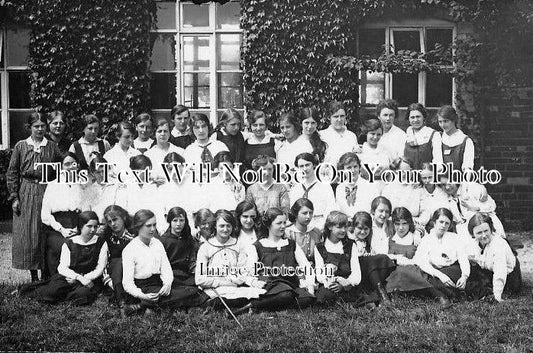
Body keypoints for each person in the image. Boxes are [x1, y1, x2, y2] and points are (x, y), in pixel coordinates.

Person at [7, 112, 61, 281]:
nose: (39, 129)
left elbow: (61, 168)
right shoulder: (21, 146)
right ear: (29, 128)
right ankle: (33, 276)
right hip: (27, 191)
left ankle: (46, 274)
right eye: (36, 126)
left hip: (47, 190)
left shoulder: (51, 146)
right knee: (29, 232)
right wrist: (14, 197)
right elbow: (12, 172)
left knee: (45, 230)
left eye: (42, 126)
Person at [122, 210, 207, 314]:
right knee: (191, 294)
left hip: (158, 283)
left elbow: (166, 268)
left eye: (154, 225)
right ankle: (144, 304)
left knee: (192, 291)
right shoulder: (130, 249)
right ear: (138, 227)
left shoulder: (157, 243)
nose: (153, 229)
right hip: (142, 287)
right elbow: (127, 283)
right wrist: (142, 295)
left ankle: (147, 306)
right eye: (148, 226)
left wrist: (167, 284)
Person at [28, 211, 108, 306]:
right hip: (69, 277)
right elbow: (62, 267)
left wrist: (84, 278)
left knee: (84, 294)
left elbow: (100, 268)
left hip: (89, 278)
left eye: (95, 226)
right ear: (81, 226)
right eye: (89, 226)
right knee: (52, 291)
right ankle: (29, 291)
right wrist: (77, 277)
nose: (93, 230)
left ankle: (60, 299)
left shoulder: (101, 243)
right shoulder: (70, 243)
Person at [244, 208, 315, 311]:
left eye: (284, 223)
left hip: (291, 285)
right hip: (271, 286)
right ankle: (258, 304)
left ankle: (265, 306)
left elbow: (305, 265)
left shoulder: (291, 244)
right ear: (268, 225)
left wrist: (310, 284)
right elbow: (249, 271)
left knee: (308, 298)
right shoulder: (258, 246)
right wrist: (254, 282)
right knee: (286, 295)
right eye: (279, 223)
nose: (283, 226)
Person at [195, 210, 265, 306]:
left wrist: (251, 281)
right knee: (223, 298)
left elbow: (242, 272)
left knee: (259, 293)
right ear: (215, 226)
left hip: (234, 288)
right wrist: (222, 283)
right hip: (214, 289)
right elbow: (199, 279)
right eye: (222, 226)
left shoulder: (238, 245)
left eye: (228, 226)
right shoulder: (205, 247)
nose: (225, 229)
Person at [385, 207, 451, 307]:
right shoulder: (390, 240)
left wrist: (400, 260)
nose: (401, 228)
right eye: (397, 224)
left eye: (404, 224)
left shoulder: (416, 238)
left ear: (410, 223)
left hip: (414, 271)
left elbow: (419, 259)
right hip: (395, 273)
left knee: (405, 271)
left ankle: (438, 295)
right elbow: (385, 257)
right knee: (397, 271)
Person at [41, 152, 87, 277]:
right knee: (65, 246)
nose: (71, 167)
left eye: (73, 164)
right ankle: (59, 279)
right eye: (66, 164)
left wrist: (79, 227)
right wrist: (61, 229)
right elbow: (45, 215)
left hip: (78, 227)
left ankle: (79, 279)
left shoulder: (82, 186)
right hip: (56, 229)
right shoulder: (53, 185)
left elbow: (86, 210)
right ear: (60, 167)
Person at [314, 211, 369, 306]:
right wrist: (331, 283)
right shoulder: (319, 248)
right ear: (330, 227)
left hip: (347, 285)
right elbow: (319, 273)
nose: (343, 230)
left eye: (345, 227)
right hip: (329, 285)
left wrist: (345, 284)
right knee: (325, 295)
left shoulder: (351, 245)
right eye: (339, 227)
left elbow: (356, 272)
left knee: (353, 296)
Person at [414, 208, 470, 300]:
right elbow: (422, 262)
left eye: (447, 223)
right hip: (436, 273)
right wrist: (440, 275)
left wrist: (464, 276)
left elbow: (463, 258)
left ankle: (447, 294)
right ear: (434, 222)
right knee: (428, 282)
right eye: (441, 222)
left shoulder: (455, 238)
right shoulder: (426, 240)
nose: (443, 226)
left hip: (454, 270)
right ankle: (455, 294)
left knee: (432, 284)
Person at [467, 213, 521, 302]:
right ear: (472, 233)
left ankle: (492, 294)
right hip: (489, 270)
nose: (483, 235)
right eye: (479, 233)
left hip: (508, 276)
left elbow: (500, 272)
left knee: (480, 285)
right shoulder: (474, 243)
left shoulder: (498, 245)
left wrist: (497, 296)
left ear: (491, 229)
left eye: (486, 231)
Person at [348, 211, 396, 305]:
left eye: (366, 229)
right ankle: (383, 295)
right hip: (356, 271)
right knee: (371, 262)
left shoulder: (368, 240)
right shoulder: (350, 240)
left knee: (382, 258)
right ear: (354, 227)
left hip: (370, 271)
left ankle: (377, 292)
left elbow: (376, 252)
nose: (363, 232)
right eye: (359, 228)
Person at [288, 153, 336, 229]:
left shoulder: (324, 186)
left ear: (313, 165)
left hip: (320, 224)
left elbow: (330, 209)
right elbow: (293, 212)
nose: (304, 169)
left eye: (307, 165)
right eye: (301, 166)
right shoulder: (296, 188)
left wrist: (321, 227)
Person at [157, 207, 199, 286]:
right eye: (175, 220)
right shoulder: (163, 241)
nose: (178, 224)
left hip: (188, 277)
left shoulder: (189, 240)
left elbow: (192, 262)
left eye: (181, 220)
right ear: (170, 221)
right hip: (171, 278)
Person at [102, 205, 133, 308]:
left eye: (115, 219)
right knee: (117, 261)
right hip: (114, 273)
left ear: (123, 218)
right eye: (109, 222)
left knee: (122, 260)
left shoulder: (133, 235)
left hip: (132, 271)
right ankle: (122, 301)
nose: (113, 224)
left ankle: (121, 298)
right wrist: (109, 281)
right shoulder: (107, 236)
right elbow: (104, 260)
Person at [318, 101, 360, 165]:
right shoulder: (322, 135)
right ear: (329, 117)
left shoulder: (351, 136)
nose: (339, 119)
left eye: (342, 116)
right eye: (336, 116)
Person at [145, 117, 185, 183]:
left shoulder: (180, 152)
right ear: (154, 134)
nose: (162, 134)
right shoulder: (148, 155)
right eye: (159, 131)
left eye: (165, 131)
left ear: (169, 134)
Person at [403, 103, 442, 170]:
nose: (415, 120)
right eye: (412, 117)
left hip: (427, 177)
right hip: (409, 177)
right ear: (408, 119)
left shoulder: (433, 134)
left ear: (423, 117)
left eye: (418, 117)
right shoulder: (406, 135)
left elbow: (438, 161)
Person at [436, 105, 475, 171]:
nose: (442, 125)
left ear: (454, 120)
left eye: (446, 121)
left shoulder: (466, 141)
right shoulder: (437, 138)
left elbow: (467, 167)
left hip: (458, 180)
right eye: (440, 122)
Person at [357, 118, 390, 193]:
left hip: (383, 187)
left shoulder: (385, 151)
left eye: (378, 134)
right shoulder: (360, 152)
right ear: (366, 133)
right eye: (372, 134)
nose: (375, 137)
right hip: (365, 188)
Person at [285, 198, 321, 264]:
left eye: (310, 213)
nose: (308, 216)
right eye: (304, 213)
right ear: (296, 214)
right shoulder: (288, 234)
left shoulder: (315, 232)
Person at [376, 99, 406, 169]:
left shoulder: (401, 135)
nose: (388, 118)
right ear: (379, 116)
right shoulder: (373, 133)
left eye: (391, 115)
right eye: (385, 115)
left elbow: (401, 158)